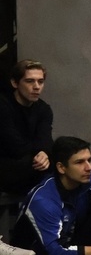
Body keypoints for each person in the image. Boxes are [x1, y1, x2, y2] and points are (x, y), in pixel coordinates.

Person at [0, 60, 53, 197]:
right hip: (7, 162)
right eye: (30, 81)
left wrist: (44, 152)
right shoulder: (3, 105)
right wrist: (40, 151)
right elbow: (14, 145)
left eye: (40, 82)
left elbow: (45, 138)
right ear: (15, 83)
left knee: (66, 160)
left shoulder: (43, 109)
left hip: (28, 164)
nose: (36, 87)